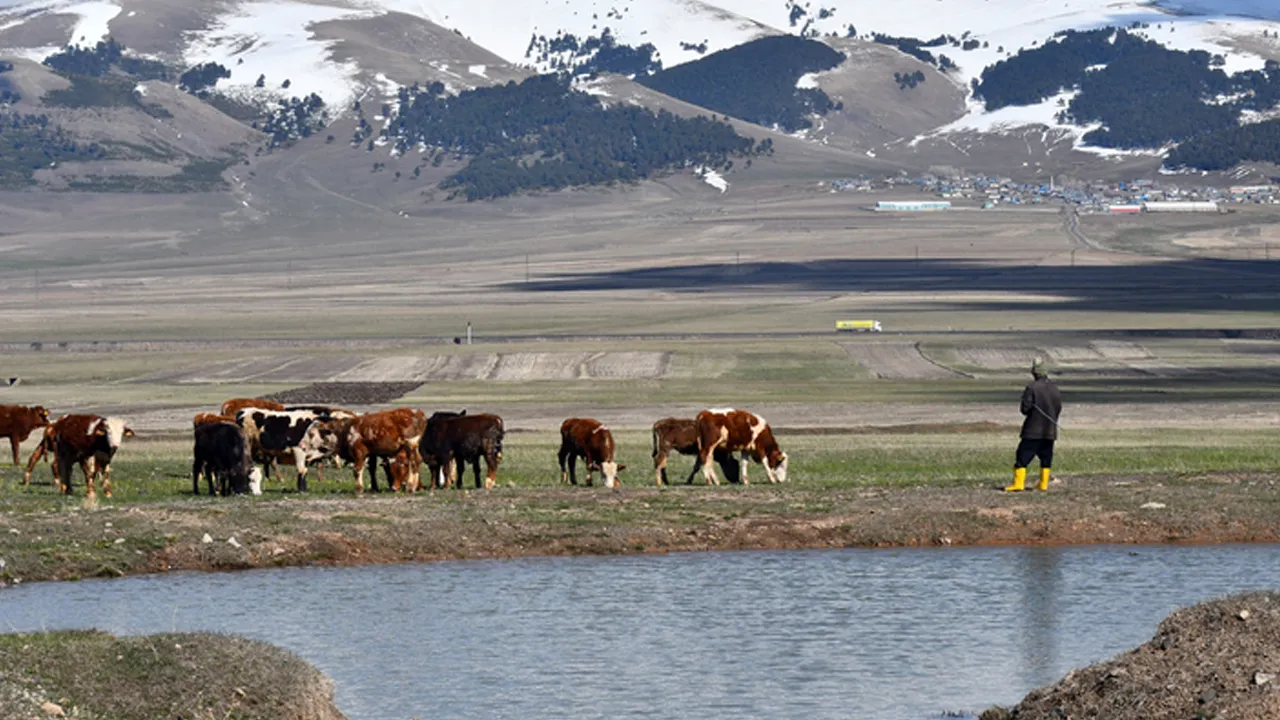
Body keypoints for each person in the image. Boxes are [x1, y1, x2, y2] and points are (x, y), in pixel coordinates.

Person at [1005, 357, 1062, 492]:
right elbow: (1058, 407)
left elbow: (1025, 409)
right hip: (1050, 430)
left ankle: (1018, 484)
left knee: (1022, 456)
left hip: (1033, 430)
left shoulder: (1031, 388)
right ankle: (1043, 484)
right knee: (1046, 457)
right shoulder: (1055, 388)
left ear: (1034, 373)